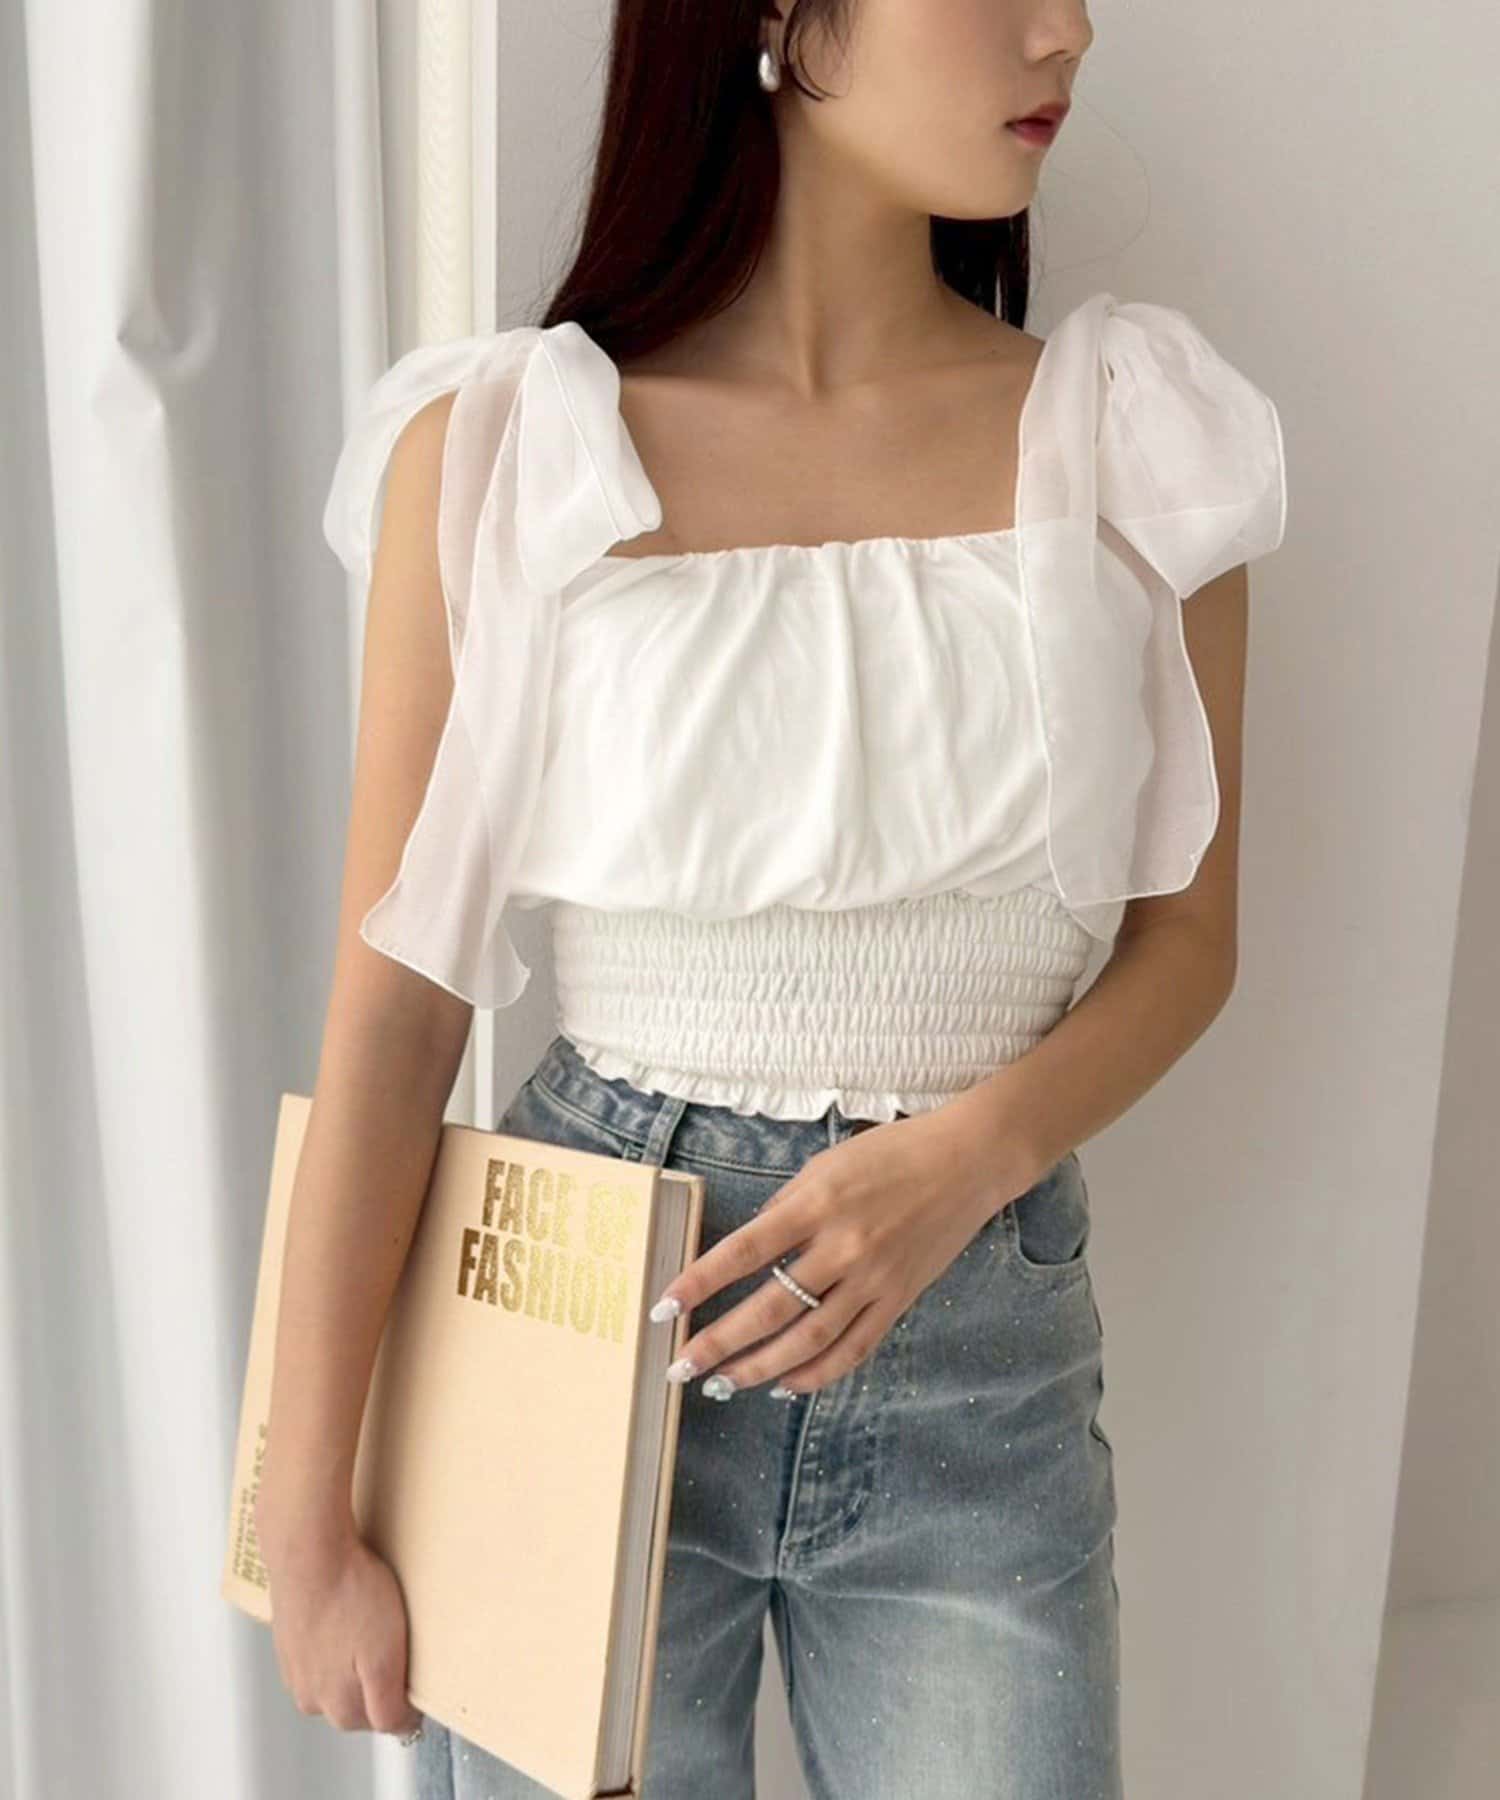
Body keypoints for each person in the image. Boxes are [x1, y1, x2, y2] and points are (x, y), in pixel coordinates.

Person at [254, 3, 1287, 1796]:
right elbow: (396, 1008)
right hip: (573, 1322)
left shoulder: (1140, 435)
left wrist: (957, 1165)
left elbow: (1188, 946)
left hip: (976, 1339)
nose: (1068, 29)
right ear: (775, 16)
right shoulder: (503, 447)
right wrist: (307, 1514)